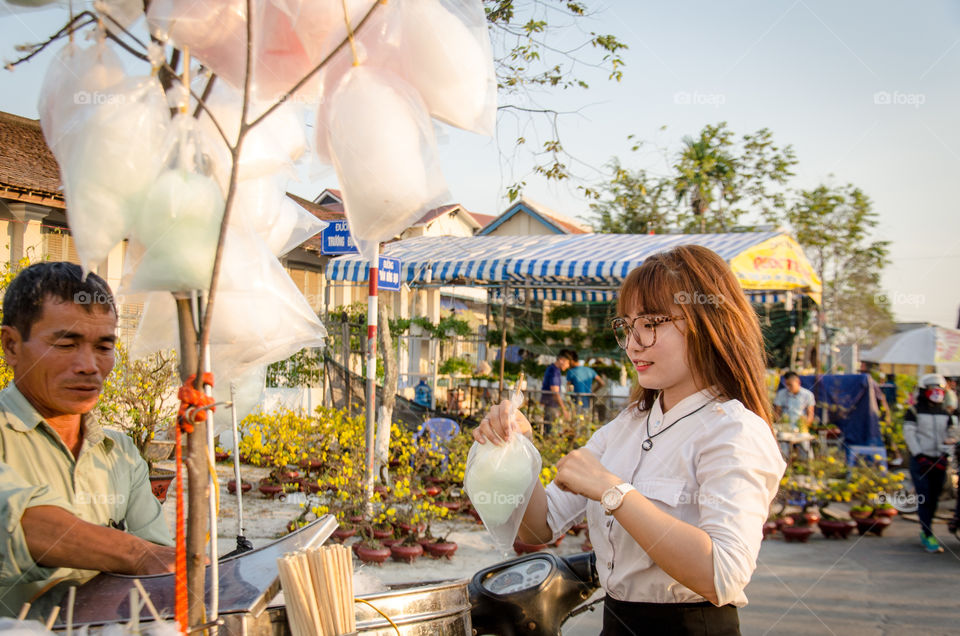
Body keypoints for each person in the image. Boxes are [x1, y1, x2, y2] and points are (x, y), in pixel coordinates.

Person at [474, 245, 785, 636]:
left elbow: (722, 573)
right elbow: (539, 527)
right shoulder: (627, 426)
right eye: (628, 325)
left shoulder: (734, 431)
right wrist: (518, 448)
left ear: (708, 324)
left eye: (652, 323)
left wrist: (613, 491)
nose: (634, 343)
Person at [0, 262, 175, 618]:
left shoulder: (121, 453)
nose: (89, 366)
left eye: (103, 346)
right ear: (11, 345)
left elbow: (160, 564)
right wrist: (134, 554)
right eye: (66, 343)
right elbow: (19, 521)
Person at [904, 373, 957, 553]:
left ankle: (927, 529)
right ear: (924, 390)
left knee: (934, 497)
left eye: (939, 389)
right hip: (921, 461)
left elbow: (952, 435)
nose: (936, 392)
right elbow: (909, 435)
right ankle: (927, 533)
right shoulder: (914, 411)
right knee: (924, 495)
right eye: (932, 388)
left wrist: (945, 454)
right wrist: (920, 456)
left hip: (939, 460)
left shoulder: (946, 413)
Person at [540, 349, 574, 433]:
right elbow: (555, 392)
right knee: (550, 431)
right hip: (550, 404)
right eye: (567, 363)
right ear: (562, 360)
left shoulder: (554, 369)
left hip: (551, 404)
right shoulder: (554, 371)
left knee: (551, 428)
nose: (568, 366)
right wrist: (563, 409)